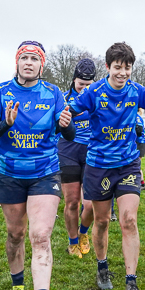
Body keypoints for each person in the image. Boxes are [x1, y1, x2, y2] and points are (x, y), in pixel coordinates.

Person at [0, 41, 74, 290]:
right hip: (9, 173)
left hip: (45, 173)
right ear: (17, 62)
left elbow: (68, 134)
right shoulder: (0, 92)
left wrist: (65, 123)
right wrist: (6, 123)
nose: (29, 63)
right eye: (25, 58)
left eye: (35, 59)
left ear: (41, 65)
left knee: (41, 235)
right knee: (15, 233)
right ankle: (18, 286)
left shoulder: (53, 93)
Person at [70, 42, 145, 290]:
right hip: (98, 165)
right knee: (101, 221)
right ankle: (102, 267)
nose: (122, 72)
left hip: (129, 164)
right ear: (108, 67)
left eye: (127, 67)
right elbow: (70, 112)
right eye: (117, 67)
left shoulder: (137, 91)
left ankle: (131, 282)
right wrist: (62, 119)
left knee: (129, 220)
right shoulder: (94, 91)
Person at [58, 58, 96, 259]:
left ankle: (83, 232)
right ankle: (72, 241)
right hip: (68, 151)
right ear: (74, 81)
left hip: (92, 152)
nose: (83, 89)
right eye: (80, 84)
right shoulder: (64, 99)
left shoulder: (99, 98)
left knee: (89, 204)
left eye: (88, 86)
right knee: (72, 202)